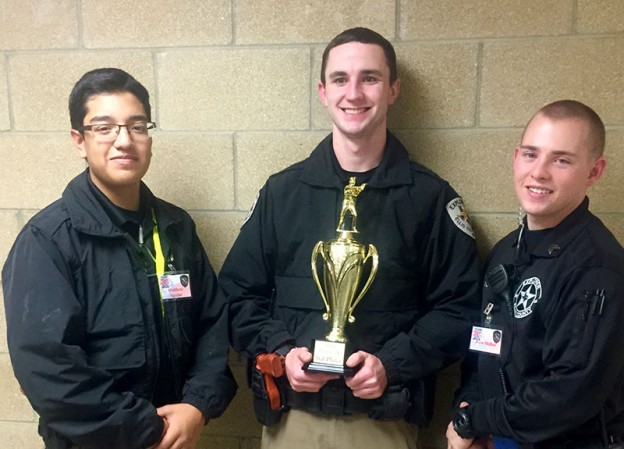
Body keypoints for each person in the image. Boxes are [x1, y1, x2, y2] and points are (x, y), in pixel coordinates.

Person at [219, 27, 480, 449]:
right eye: (340, 79)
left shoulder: (431, 199)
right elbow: (234, 298)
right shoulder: (282, 194)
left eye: (370, 78)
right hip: (292, 423)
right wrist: (282, 352)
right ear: (323, 91)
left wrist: (391, 365)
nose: (354, 93)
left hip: (383, 425)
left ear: (393, 90)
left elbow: (460, 308)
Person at [2, 68, 237, 449]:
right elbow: (48, 369)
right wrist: (149, 429)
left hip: (177, 437)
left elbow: (212, 322)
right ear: (79, 140)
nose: (124, 141)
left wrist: (197, 406)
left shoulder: (177, 227)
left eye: (137, 126)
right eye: (105, 127)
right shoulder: (47, 240)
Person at [447, 100, 624, 449]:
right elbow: (481, 348)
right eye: (531, 154)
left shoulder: (596, 267)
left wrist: (474, 421)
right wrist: (467, 409)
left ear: (594, 172)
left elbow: (570, 392)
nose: (539, 172)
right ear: (515, 158)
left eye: (561, 160)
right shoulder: (506, 251)